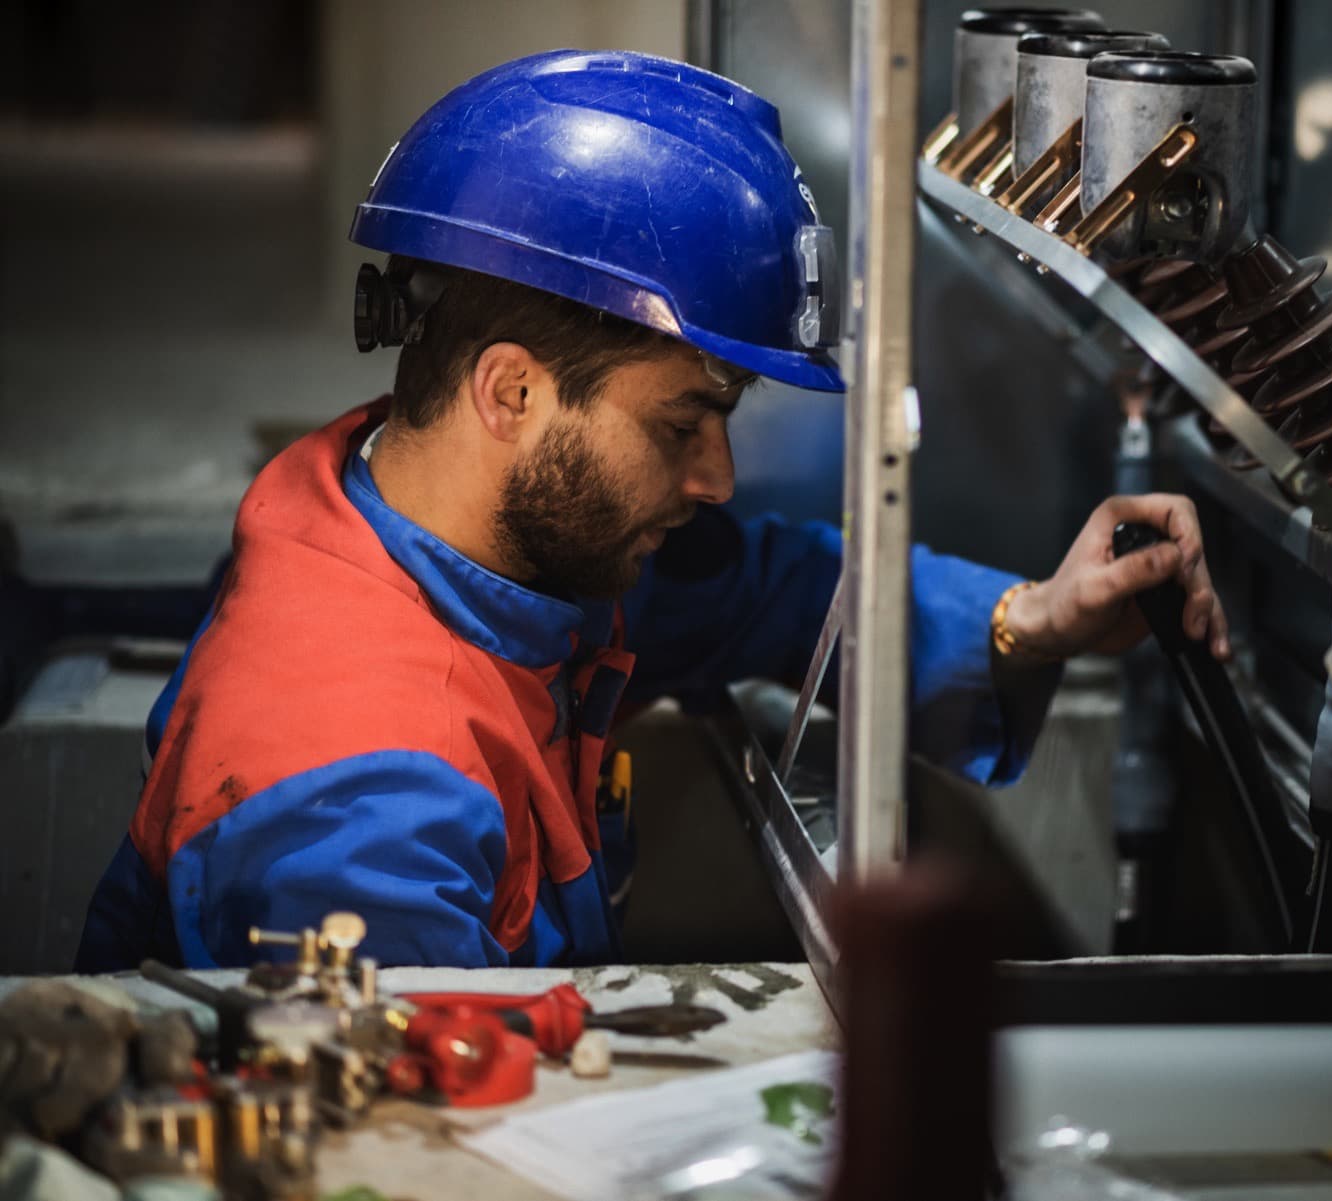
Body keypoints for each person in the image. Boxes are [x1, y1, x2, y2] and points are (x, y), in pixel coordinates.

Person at [75, 50, 1227, 970]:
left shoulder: (449, 537)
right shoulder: (363, 811)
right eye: (681, 426)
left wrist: (1035, 615)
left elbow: (759, 585)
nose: (717, 475)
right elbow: (437, 1148)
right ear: (513, 392)